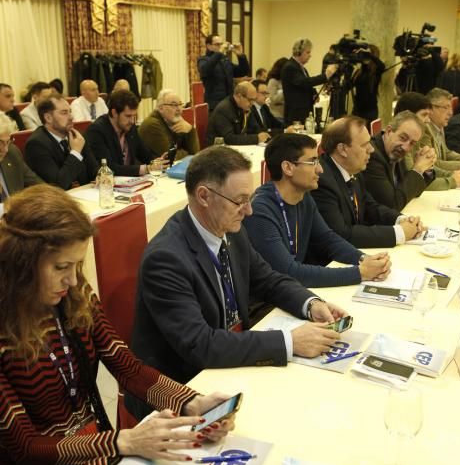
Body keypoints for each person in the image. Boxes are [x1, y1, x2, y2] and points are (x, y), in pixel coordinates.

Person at [0, 184, 234, 465]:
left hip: (94, 458)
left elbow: (127, 367)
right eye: (61, 266)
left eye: (78, 265)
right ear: (21, 263)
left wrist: (193, 404)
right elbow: (27, 449)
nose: (72, 279)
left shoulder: (73, 297)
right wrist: (123, 441)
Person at [126, 146, 347, 416]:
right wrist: (289, 342)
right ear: (204, 196)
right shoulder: (166, 258)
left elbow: (268, 279)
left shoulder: (229, 228)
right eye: (240, 201)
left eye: (250, 199)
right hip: (184, 390)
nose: (249, 211)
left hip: (230, 362)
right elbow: (201, 345)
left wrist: (310, 303)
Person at [244, 133, 390, 287]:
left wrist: (364, 259)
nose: (320, 169)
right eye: (313, 162)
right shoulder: (259, 211)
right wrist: (360, 273)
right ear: (288, 168)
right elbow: (289, 272)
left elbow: (328, 239)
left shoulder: (304, 198)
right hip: (267, 303)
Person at [311, 116, 424, 248]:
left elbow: (370, 207)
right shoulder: (322, 180)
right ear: (342, 149)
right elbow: (341, 234)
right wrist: (399, 232)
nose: (371, 149)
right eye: (364, 145)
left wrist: (402, 219)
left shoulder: (354, 171)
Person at [363, 111, 436, 210]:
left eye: (412, 143)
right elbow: (392, 204)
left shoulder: (396, 151)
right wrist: (417, 169)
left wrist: (426, 168)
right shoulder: (372, 156)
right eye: (403, 138)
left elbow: (412, 192)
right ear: (389, 131)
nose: (406, 147)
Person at [394, 92, 460, 189]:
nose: (428, 120)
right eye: (424, 115)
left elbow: (428, 168)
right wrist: (452, 180)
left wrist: (451, 175)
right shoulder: (407, 140)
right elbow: (414, 180)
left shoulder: (416, 136)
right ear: (407, 114)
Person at [24, 96, 98, 190]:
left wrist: (100, 176)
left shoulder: (77, 136)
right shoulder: (36, 145)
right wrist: (75, 153)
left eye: (70, 111)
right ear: (48, 118)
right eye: (64, 113)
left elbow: (94, 170)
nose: (71, 117)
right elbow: (58, 185)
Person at [86, 90, 155, 176]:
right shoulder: (96, 131)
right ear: (114, 113)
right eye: (128, 116)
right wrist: (146, 169)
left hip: (129, 183)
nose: (132, 121)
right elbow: (108, 168)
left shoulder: (130, 127)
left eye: (134, 116)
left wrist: (158, 162)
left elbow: (146, 155)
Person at [281, 38, 337, 124]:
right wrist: (325, 76)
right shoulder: (290, 67)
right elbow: (304, 82)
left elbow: (304, 85)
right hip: (296, 114)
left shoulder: (301, 68)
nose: (310, 55)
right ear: (299, 52)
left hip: (304, 112)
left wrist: (313, 93)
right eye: (308, 52)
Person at [139, 88, 200, 160]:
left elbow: (196, 155)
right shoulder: (151, 125)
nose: (179, 109)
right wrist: (187, 153)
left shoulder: (176, 122)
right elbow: (173, 158)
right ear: (161, 108)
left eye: (180, 104)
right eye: (174, 105)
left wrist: (191, 130)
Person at [197, 34, 251, 112]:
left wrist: (240, 55)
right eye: (217, 44)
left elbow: (243, 72)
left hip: (230, 103)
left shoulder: (225, 60)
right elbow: (205, 71)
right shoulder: (203, 60)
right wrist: (219, 53)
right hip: (215, 105)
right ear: (209, 46)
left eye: (221, 44)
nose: (221, 46)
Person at [206, 81, 269, 146]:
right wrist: (256, 138)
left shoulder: (244, 107)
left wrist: (263, 135)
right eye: (250, 100)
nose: (252, 103)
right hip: (217, 150)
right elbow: (229, 139)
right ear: (239, 96)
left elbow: (255, 129)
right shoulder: (223, 110)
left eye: (254, 100)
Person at [0, 114, 42, 201]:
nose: (5, 149)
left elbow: (38, 186)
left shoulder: (12, 153)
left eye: (7, 142)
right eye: (0, 142)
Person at [425, 88, 460, 170]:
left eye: (450, 107)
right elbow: (433, 163)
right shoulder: (425, 130)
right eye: (445, 107)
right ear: (430, 108)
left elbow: (447, 153)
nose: (450, 112)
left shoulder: (439, 126)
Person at [351, 44, 385, 125]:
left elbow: (381, 66)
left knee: (369, 136)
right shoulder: (359, 71)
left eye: (367, 54)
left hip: (370, 111)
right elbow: (349, 86)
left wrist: (368, 54)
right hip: (357, 109)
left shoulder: (376, 71)